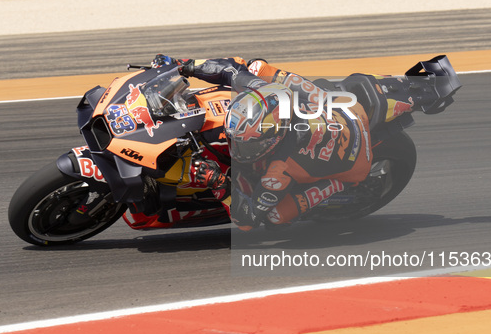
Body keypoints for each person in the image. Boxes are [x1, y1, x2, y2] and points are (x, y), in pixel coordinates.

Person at [150, 54, 445, 230]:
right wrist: (182, 66)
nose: (238, 149)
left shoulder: (279, 172)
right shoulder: (269, 86)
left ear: (274, 139)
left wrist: (218, 182)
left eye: (248, 146)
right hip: (343, 111)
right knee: (256, 66)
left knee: (276, 217)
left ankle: (338, 186)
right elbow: (232, 67)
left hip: (354, 162)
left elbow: (249, 219)